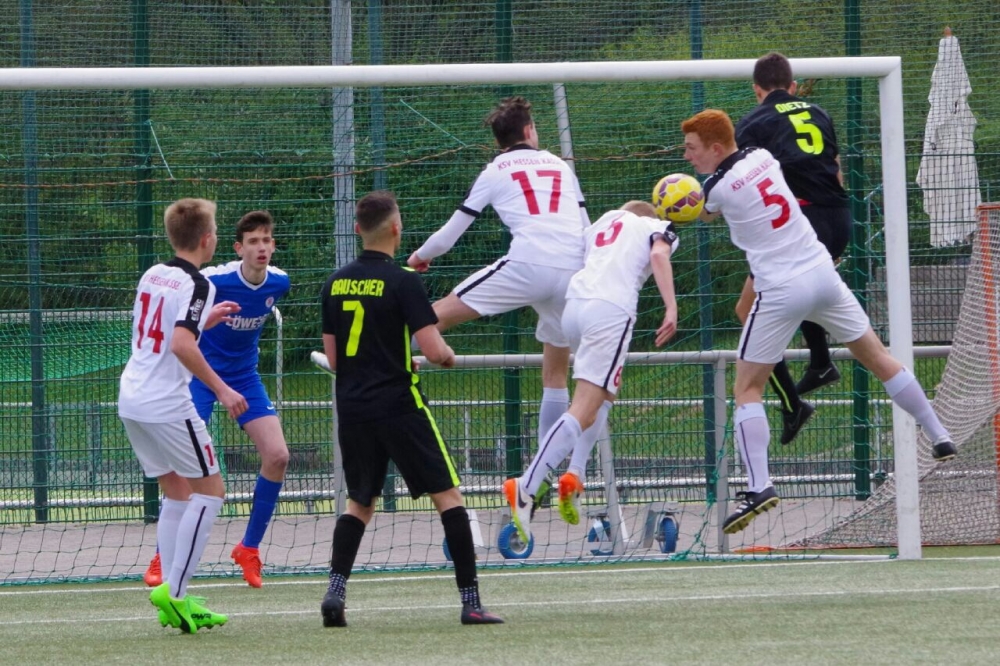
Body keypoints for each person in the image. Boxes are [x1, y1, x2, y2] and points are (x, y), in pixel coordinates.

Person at [679, 109, 957, 534]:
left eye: (692, 148)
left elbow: (702, 211)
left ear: (715, 148)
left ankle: (759, 486)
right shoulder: (762, 157)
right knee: (879, 358)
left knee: (747, 388)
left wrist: (673, 201)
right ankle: (939, 434)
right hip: (823, 274)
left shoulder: (716, 188)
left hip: (781, 288)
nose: (687, 156)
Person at [319, 190, 503, 626]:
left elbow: (336, 359)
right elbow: (435, 350)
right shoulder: (404, 281)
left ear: (358, 229)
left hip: (353, 408)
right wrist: (447, 357)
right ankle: (471, 602)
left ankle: (335, 593)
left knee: (359, 502)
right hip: (399, 405)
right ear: (397, 229)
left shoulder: (334, 283)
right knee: (448, 497)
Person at [407, 95, 591, 455]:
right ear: (530, 131)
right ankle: (544, 470)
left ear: (498, 140)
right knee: (556, 373)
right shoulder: (560, 165)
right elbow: (586, 227)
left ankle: (363, 360)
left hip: (528, 265)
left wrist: (419, 256)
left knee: (432, 316)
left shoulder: (495, 170)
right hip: (573, 270)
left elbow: (449, 236)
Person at [504, 201, 679, 543]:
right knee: (583, 407)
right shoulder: (654, 226)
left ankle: (576, 472)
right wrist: (671, 307)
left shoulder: (599, 226)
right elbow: (659, 255)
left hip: (574, 307)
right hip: (610, 310)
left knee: (603, 394)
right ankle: (527, 485)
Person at [118, 198, 249, 632]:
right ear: (207, 239)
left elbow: (164, 330)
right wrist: (223, 389)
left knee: (176, 493)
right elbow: (179, 344)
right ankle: (174, 593)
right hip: (166, 403)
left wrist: (203, 321)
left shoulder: (153, 273)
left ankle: (172, 594)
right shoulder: (199, 284)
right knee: (211, 493)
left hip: (132, 398)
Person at [144, 210, 291, 590]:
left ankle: (249, 548)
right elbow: (180, 313)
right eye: (253, 242)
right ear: (238, 248)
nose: (261, 247)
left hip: (244, 378)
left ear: (273, 245)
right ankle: (163, 555)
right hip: (200, 377)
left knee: (278, 456)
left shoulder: (280, 283)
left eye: (266, 240)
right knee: (183, 467)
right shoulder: (212, 279)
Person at [733, 51, 854, 446]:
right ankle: (819, 362)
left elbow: (747, 182)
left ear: (757, 90)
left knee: (745, 309)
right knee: (808, 292)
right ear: (794, 86)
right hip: (838, 217)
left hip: (802, 224)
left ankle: (792, 403)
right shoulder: (819, 113)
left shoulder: (753, 123)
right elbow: (835, 166)